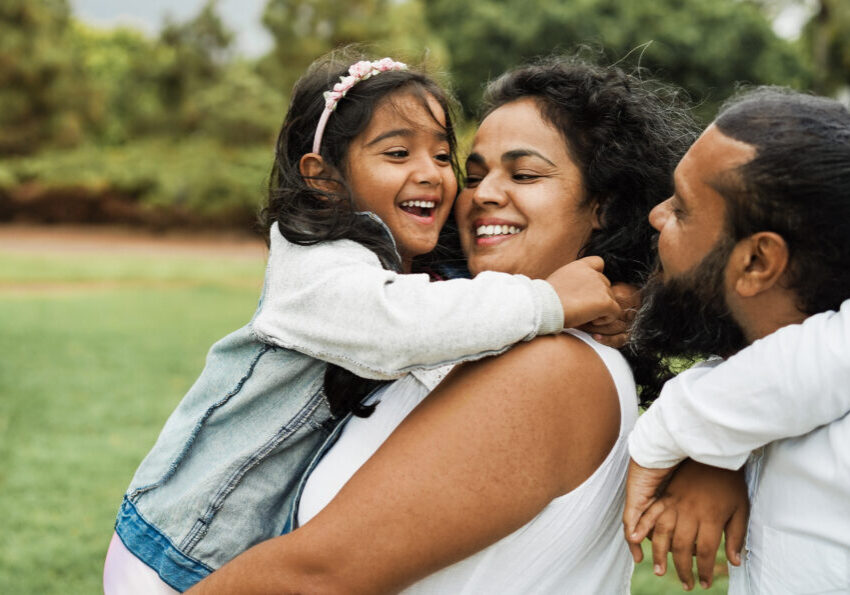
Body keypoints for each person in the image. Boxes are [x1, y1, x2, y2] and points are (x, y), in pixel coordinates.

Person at [103, 52, 625, 593]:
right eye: (397, 153)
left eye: (444, 156)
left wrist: (613, 295)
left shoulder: (445, 290)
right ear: (324, 178)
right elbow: (404, 325)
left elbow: (455, 311)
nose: (436, 175)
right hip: (177, 545)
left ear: (604, 206)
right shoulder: (317, 267)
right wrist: (549, 302)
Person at [623, 88, 850, 593]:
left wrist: (673, 432)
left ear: (757, 262)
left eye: (681, 208)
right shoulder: (771, 398)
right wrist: (717, 448)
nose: (656, 216)